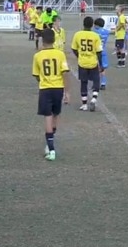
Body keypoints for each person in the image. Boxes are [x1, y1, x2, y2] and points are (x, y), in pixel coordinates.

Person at [32, 28, 72, 161]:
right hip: (58, 89)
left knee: (47, 117)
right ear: (54, 40)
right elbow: (65, 73)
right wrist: (67, 92)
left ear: (43, 41)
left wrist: (43, 80)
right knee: (55, 115)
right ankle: (49, 144)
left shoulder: (38, 56)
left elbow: (36, 75)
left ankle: (51, 149)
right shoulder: (60, 54)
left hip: (45, 89)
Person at [71, 17, 103, 111]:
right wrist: (100, 65)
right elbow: (99, 52)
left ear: (83, 24)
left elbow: (74, 48)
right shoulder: (95, 36)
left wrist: (79, 55)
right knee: (96, 81)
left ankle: (84, 104)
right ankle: (93, 99)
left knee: (83, 82)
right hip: (93, 62)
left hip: (82, 63)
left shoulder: (77, 34)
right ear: (92, 25)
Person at [93, 17, 110, 90]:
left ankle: (95, 84)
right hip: (103, 51)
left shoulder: (94, 32)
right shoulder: (107, 32)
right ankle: (103, 83)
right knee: (102, 69)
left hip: (96, 52)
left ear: (97, 25)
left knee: (95, 69)